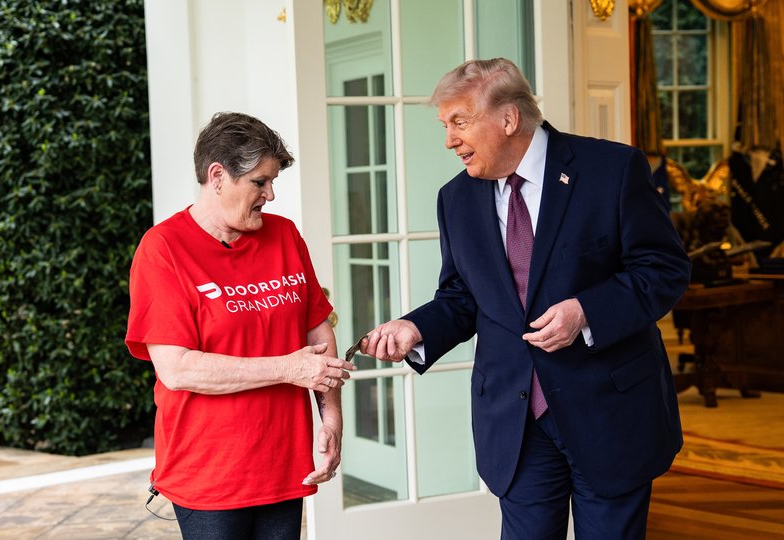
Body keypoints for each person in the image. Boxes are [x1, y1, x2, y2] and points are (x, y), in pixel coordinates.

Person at [360, 59, 691, 539]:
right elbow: (463, 296)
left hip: (610, 413)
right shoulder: (456, 199)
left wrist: (586, 312)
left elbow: (664, 269)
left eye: (459, 122)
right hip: (515, 423)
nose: (449, 139)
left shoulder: (612, 170)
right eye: (445, 125)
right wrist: (416, 328)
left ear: (508, 119)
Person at [125, 112, 355, 540]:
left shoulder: (284, 236)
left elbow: (317, 332)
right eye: (259, 182)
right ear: (217, 175)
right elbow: (177, 368)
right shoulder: (163, 250)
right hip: (209, 473)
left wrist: (331, 419)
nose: (270, 194)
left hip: (284, 462)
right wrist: (287, 369)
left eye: (272, 182)